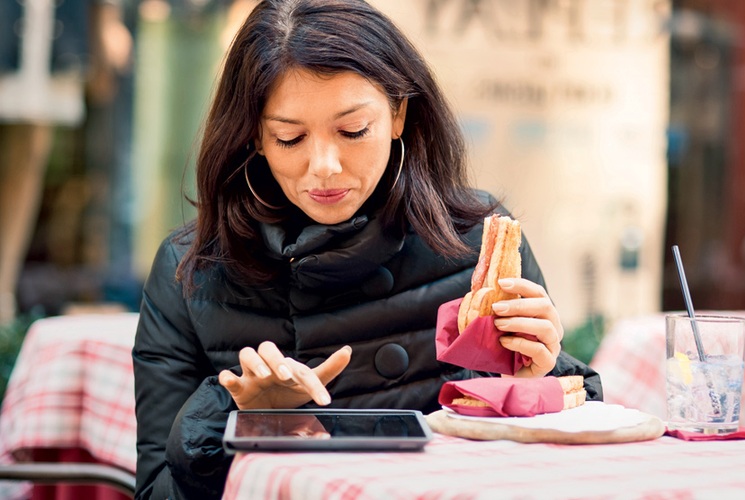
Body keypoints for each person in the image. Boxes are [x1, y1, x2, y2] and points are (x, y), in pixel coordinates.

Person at [132, 1, 603, 498]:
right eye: (290, 138)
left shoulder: (473, 239)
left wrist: (540, 375)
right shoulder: (191, 270)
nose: (325, 166)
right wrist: (236, 412)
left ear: (399, 113)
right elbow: (157, 490)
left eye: (353, 130)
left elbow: (562, 458)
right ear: (255, 136)